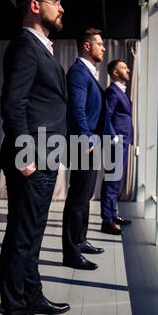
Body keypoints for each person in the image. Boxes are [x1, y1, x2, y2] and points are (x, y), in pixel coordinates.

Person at [0, 0, 70, 315]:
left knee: (34, 233)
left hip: (47, 154)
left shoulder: (42, 48)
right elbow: (13, 104)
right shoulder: (24, 47)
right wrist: (25, 156)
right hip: (32, 158)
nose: (61, 7)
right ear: (33, 6)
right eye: (54, 1)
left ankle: (32, 295)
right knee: (21, 239)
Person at [62, 28, 106, 271]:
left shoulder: (89, 73)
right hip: (83, 144)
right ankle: (71, 253)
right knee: (77, 197)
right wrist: (87, 139)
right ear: (87, 46)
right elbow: (76, 109)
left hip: (91, 144)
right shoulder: (78, 72)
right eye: (99, 43)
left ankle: (80, 239)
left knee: (86, 194)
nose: (103, 47)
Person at [100, 59, 133, 234]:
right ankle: (106, 221)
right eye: (124, 67)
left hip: (124, 142)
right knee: (112, 181)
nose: (128, 70)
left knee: (117, 181)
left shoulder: (122, 91)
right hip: (116, 143)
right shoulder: (112, 92)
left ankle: (113, 214)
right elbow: (107, 116)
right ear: (114, 72)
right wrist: (114, 139)